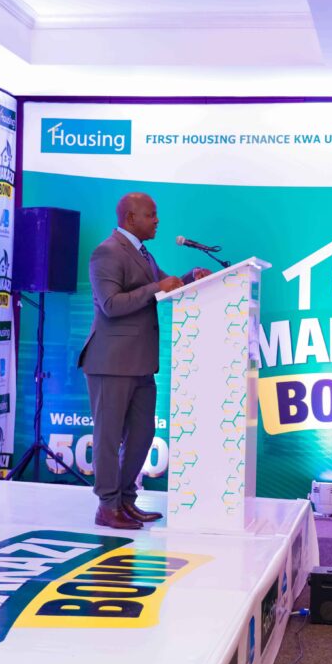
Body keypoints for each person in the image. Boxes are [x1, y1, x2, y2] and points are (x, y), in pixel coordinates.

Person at [79, 192, 212, 529]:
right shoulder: (107, 252)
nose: (157, 220)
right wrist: (156, 287)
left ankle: (126, 500)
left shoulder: (141, 252)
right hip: (110, 362)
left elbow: (163, 286)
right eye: (151, 215)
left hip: (139, 362)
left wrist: (189, 278)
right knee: (109, 437)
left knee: (142, 433)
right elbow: (111, 305)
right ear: (130, 218)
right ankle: (107, 506)